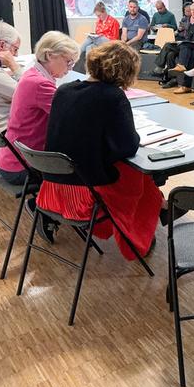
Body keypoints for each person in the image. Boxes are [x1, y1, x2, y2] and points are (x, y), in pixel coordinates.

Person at [36, 42, 167, 259]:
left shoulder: (63, 90)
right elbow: (127, 146)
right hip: (84, 192)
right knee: (139, 173)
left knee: (136, 174)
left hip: (51, 186)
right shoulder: (112, 96)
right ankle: (143, 231)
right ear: (124, 72)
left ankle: (161, 208)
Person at [0, 31, 80, 187]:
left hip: (10, 159)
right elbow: (72, 119)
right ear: (49, 56)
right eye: (68, 62)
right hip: (19, 167)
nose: (69, 68)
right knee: (81, 170)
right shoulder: (40, 84)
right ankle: (50, 206)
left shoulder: (33, 74)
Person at [157, 2, 194, 82]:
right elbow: (188, 36)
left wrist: (193, 25)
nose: (193, 12)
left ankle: (160, 67)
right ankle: (172, 79)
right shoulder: (189, 19)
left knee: (169, 46)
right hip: (186, 43)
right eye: (192, 10)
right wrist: (187, 27)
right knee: (170, 54)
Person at [76, 2, 119, 71]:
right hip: (98, 41)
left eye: (99, 15)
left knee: (91, 38)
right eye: (97, 16)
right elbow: (97, 33)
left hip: (109, 42)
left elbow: (115, 38)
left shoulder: (114, 21)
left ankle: (77, 53)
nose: (98, 17)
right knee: (88, 48)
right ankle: (89, 70)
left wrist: (100, 36)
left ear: (104, 12)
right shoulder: (99, 21)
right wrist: (94, 35)